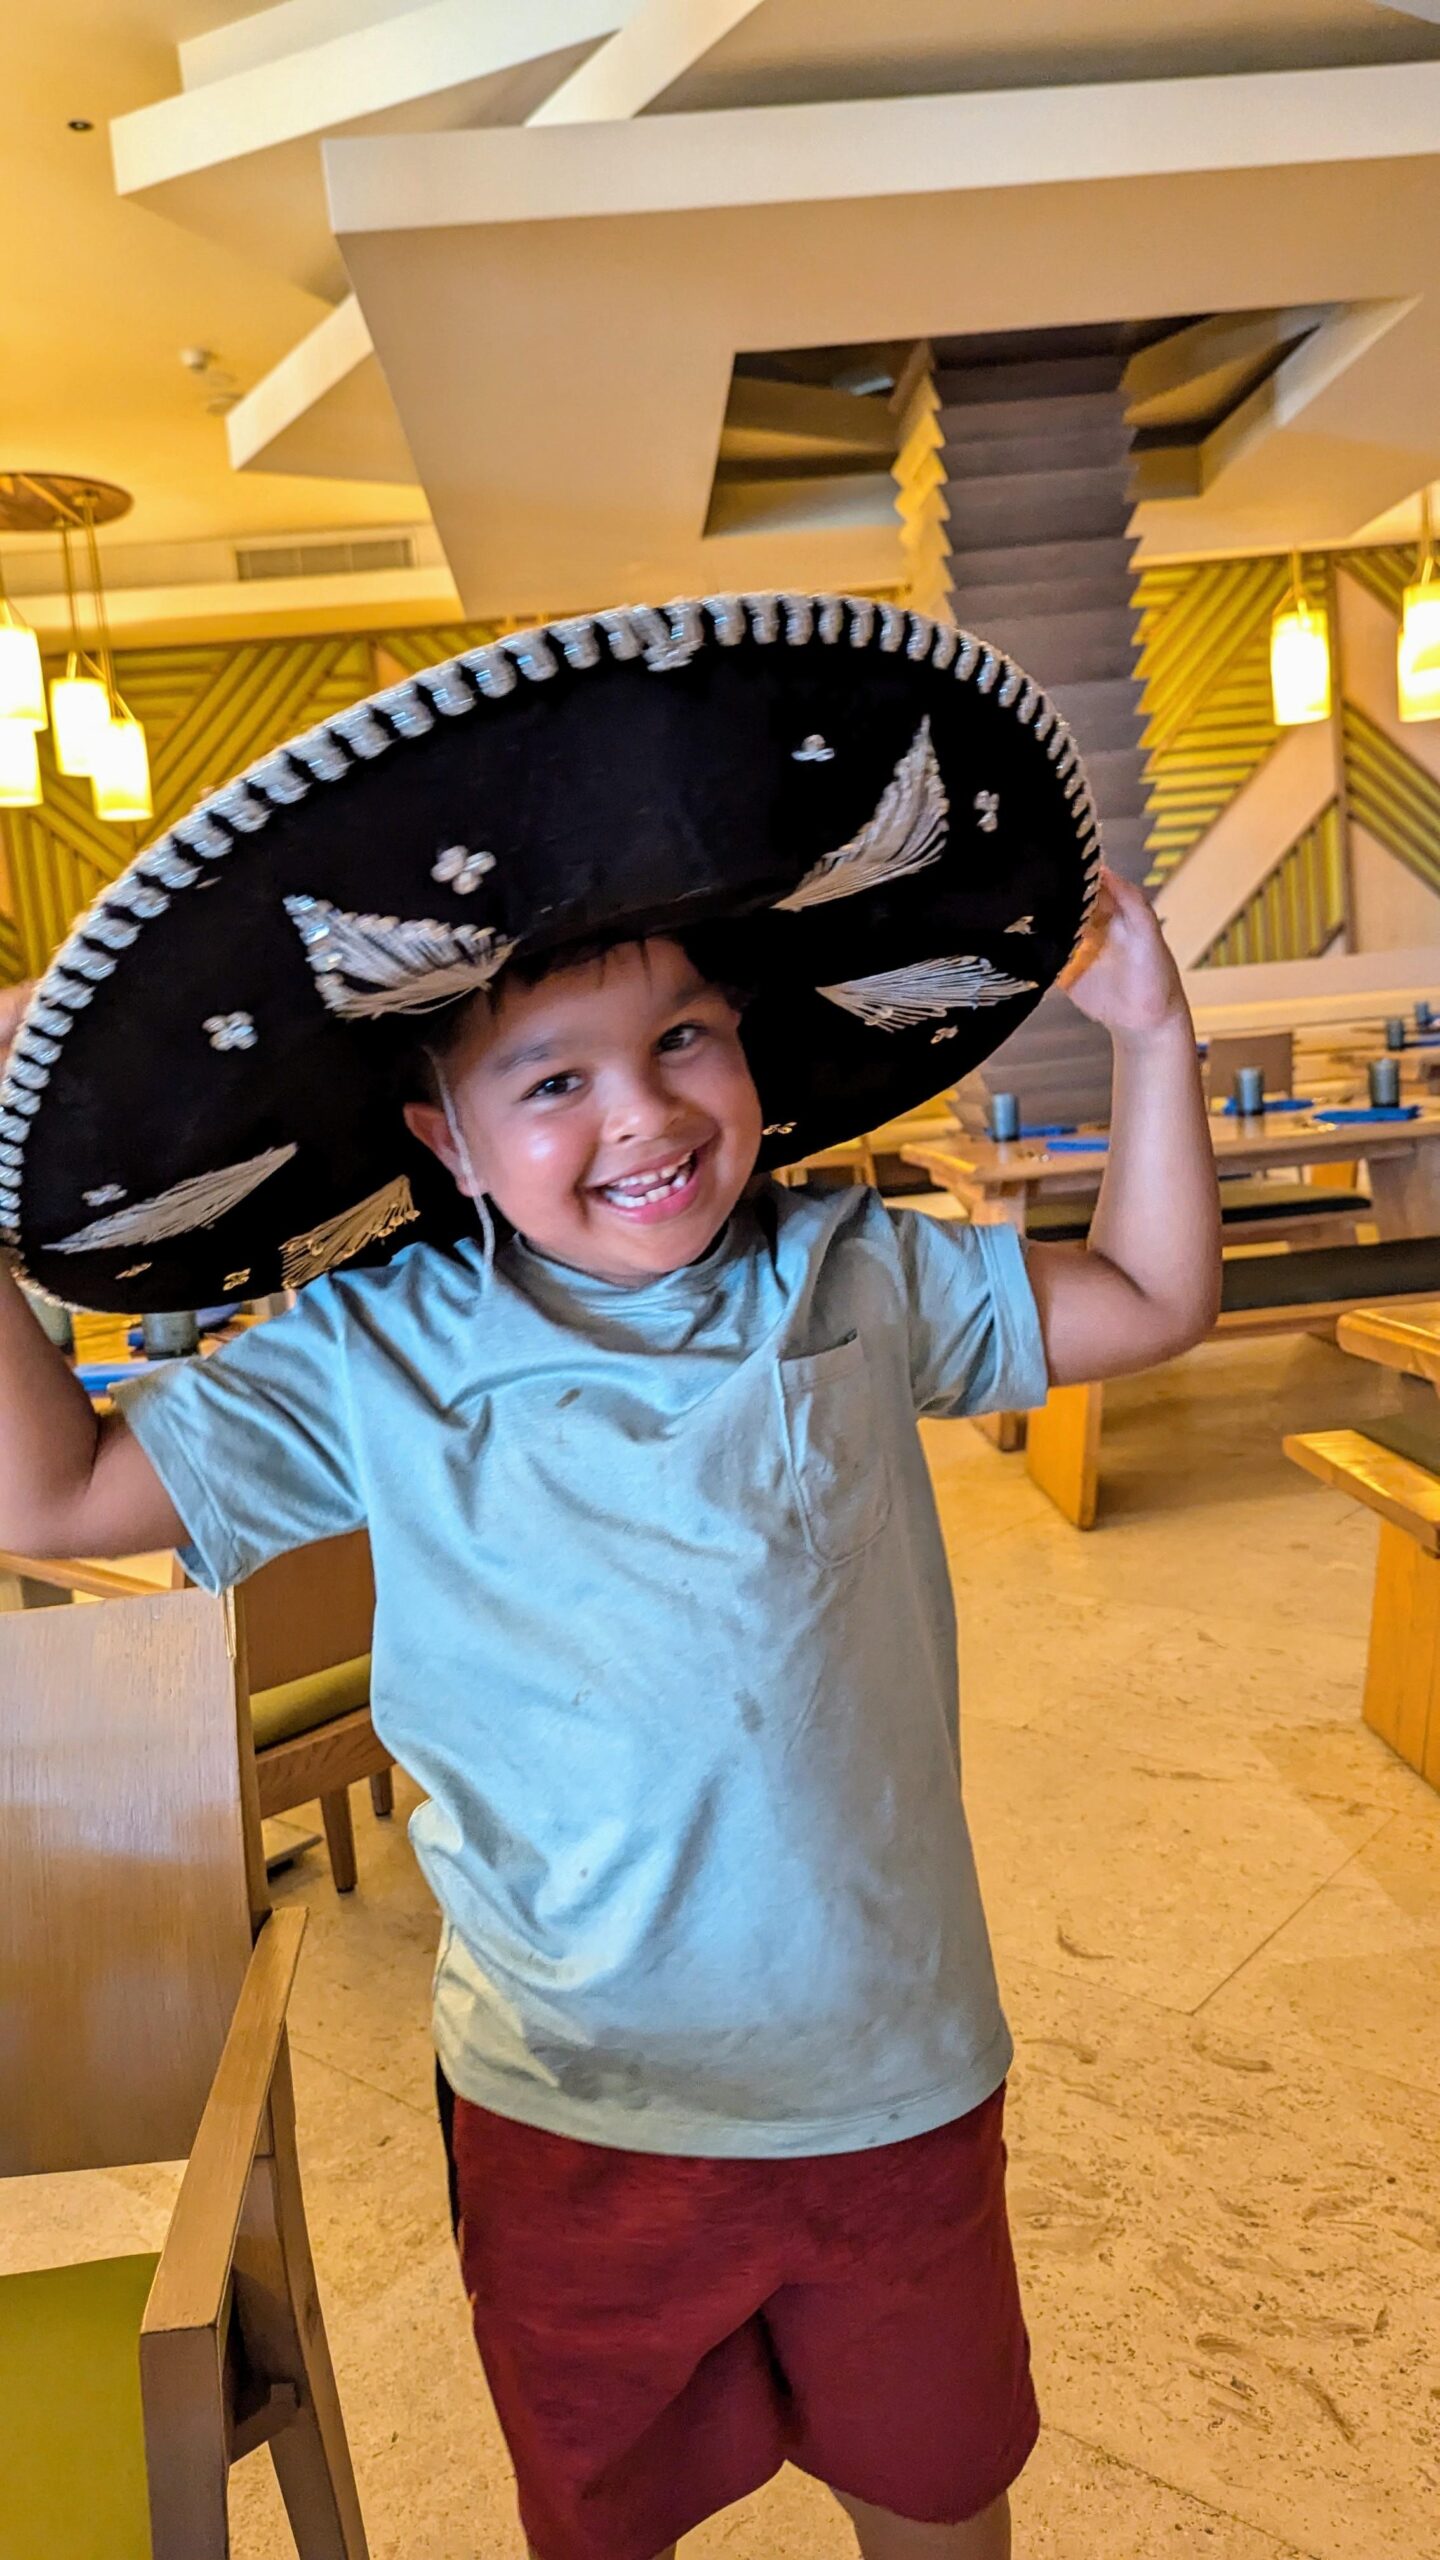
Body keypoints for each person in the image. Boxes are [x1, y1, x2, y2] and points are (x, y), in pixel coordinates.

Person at [0, 862, 1217, 2560]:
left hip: (889, 2072)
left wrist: (1157, 1042)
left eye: (686, 1039)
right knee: (606, 2512)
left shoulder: (851, 1272)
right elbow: (51, 1498)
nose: (642, 1112)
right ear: (442, 1135)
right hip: (577, 2107)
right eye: (553, 1078)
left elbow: (1155, 1302)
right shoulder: (375, 1352)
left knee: (938, 2490)